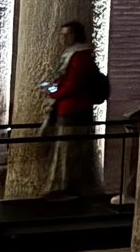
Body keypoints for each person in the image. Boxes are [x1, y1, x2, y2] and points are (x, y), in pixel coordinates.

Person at [40, 20, 109, 196]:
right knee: (67, 150)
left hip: (74, 111)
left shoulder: (79, 57)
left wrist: (52, 91)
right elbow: (63, 82)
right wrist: (51, 88)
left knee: (70, 152)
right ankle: (68, 187)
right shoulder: (72, 55)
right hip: (69, 110)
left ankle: (68, 188)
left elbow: (71, 86)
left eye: (67, 34)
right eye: (61, 34)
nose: (63, 38)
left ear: (75, 35)